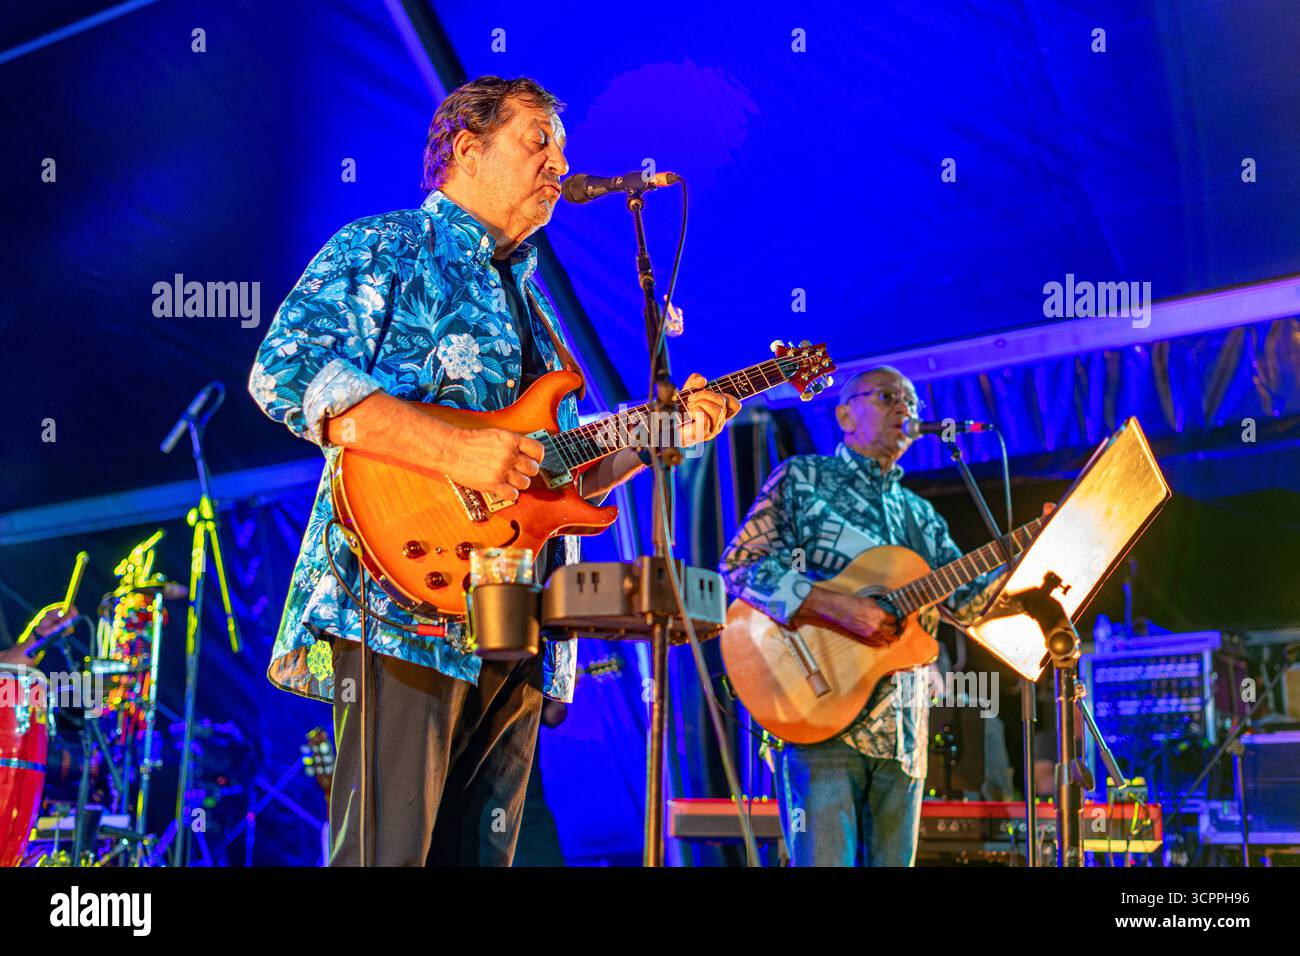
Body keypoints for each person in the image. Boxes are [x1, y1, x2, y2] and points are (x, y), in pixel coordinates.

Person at [249, 75, 738, 866]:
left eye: (563, 148)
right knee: (385, 853)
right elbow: (284, 371)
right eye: (537, 141)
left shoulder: (537, 305)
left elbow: (555, 476)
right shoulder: (384, 247)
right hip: (402, 598)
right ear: (466, 150)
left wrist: (659, 434)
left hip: (518, 623)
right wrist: (457, 450)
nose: (559, 162)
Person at [720, 365, 1045, 866]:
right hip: (817, 712)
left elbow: (967, 604)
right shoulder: (804, 479)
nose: (905, 410)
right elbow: (741, 567)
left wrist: (1031, 557)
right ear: (845, 416)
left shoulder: (921, 515)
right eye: (890, 397)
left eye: (912, 403)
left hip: (905, 731)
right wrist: (836, 607)